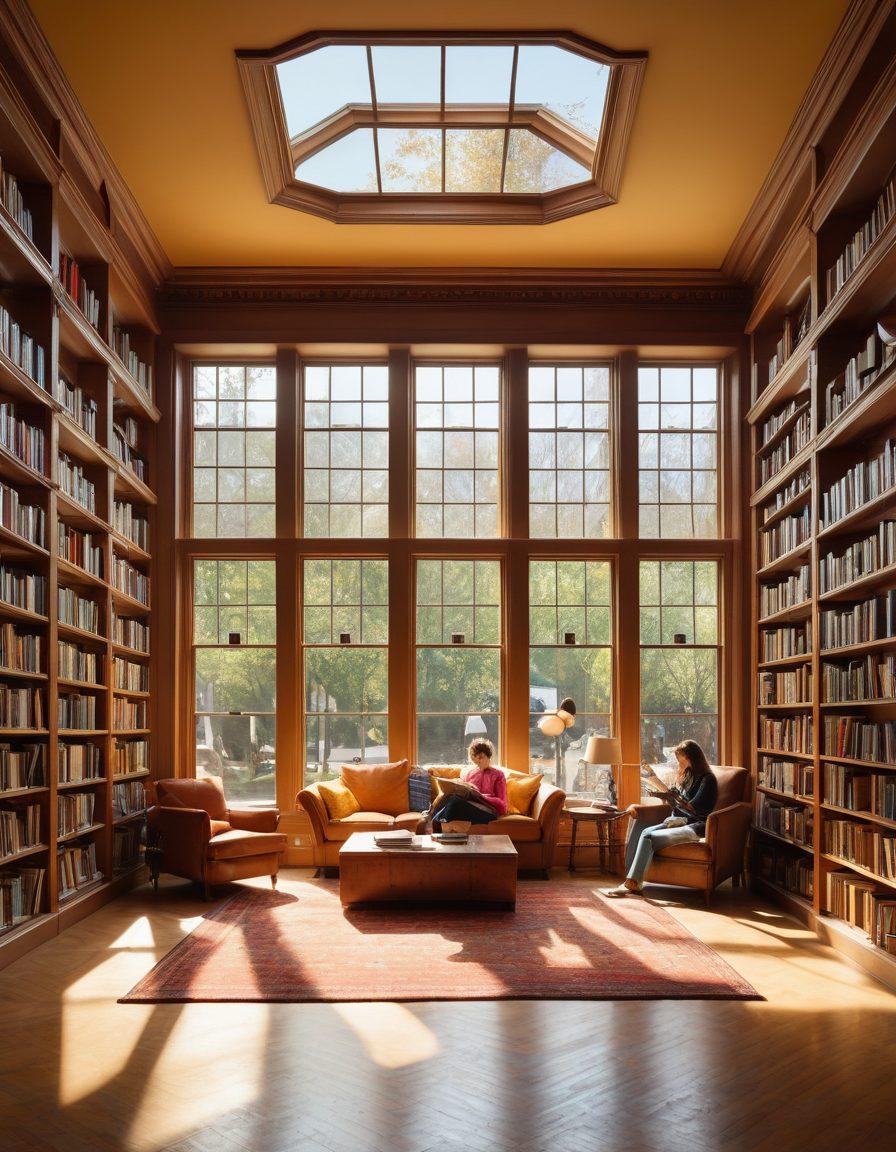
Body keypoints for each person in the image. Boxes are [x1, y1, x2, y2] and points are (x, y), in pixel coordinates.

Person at [604, 739, 718, 897]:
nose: (678, 762)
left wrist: (673, 797)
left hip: (694, 827)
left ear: (691, 757)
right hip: (675, 821)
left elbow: (693, 808)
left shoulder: (708, 780)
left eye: (680, 758)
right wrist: (661, 790)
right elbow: (676, 803)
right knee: (641, 825)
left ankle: (633, 882)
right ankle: (629, 877)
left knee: (648, 835)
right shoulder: (687, 776)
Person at [430, 739, 507, 831]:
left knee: (454, 802)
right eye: (475, 759)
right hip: (468, 807)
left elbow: (503, 805)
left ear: (488, 756)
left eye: (481, 757)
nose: (478, 762)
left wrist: (480, 797)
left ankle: (434, 824)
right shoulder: (469, 773)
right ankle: (434, 821)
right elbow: (463, 791)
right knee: (450, 797)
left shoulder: (498, 775)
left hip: (488, 812)